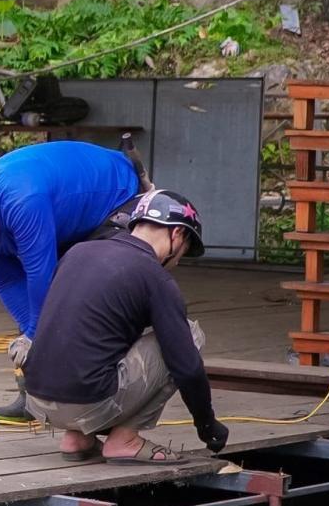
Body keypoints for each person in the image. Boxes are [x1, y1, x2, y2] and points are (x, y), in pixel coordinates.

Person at [0, 140, 144, 422]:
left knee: (81, 290)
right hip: (61, 212)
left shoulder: (22, 202)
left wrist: (36, 334)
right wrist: (28, 335)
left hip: (116, 193)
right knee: (40, 323)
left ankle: (103, 397)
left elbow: (41, 275)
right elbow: (7, 281)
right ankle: (35, 397)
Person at [21, 190, 228, 464]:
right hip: (88, 403)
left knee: (98, 337)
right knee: (188, 335)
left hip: (37, 400)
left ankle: (76, 439)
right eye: (184, 252)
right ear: (177, 234)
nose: (178, 262)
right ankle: (125, 440)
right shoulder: (154, 276)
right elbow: (186, 367)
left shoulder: (78, 251)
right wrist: (207, 424)